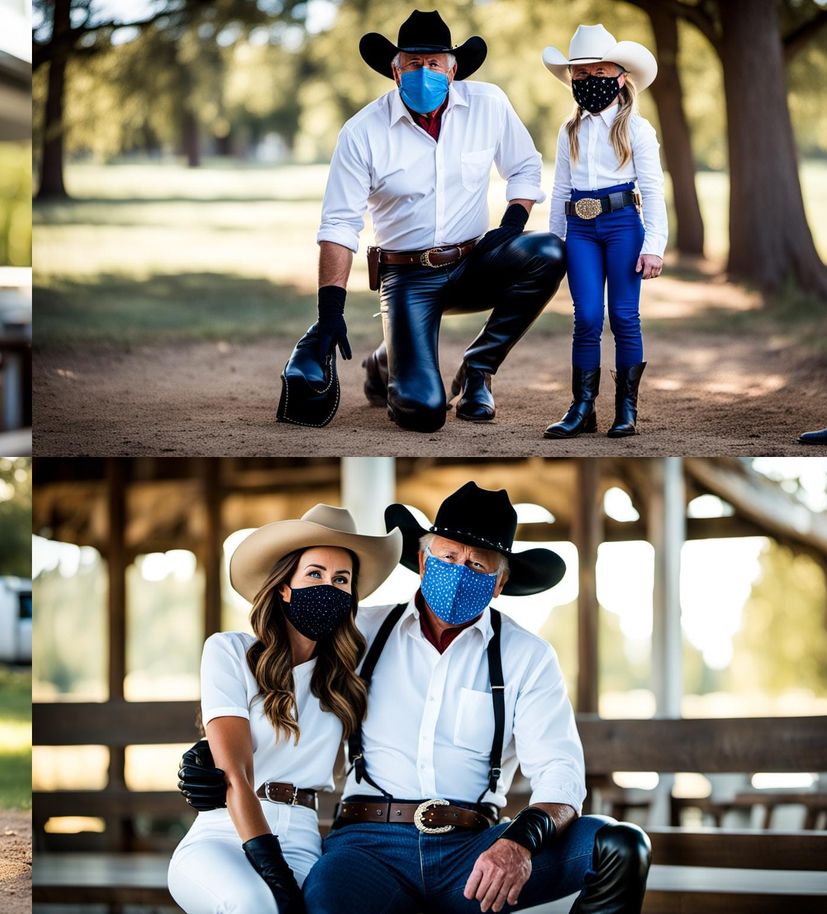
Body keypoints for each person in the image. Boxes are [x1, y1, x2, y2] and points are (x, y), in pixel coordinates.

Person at [180, 483, 652, 914]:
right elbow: (281, 678)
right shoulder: (357, 633)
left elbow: (561, 773)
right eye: (447, 558)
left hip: (476, 850)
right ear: (424, 562)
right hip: (367, 848)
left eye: (476, 566)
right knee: (325, 904)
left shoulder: (527, 655)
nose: (458, 573)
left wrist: (520, 844)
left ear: (499, 582)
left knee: (620, 847)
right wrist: (205, 757)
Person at [280, 11, 566, 432]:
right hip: (407, 277)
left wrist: (510, 225)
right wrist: (330, 312)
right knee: (424, 413)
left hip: (474, 262)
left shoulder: (489, 104)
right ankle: (384, 361)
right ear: (395, 71)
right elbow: (340, 225)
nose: (424, 71)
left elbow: (524, 167)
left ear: (453, 69)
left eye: (434, 62)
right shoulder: (361, 132)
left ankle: (478, 369)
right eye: (413, 63)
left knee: (549, 252)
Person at [168, 506, 402, 914]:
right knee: (255, 905)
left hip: (303, 839)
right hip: (225, 834)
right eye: (315, 574)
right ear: (284, 587)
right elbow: (237, 777)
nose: (328, 586)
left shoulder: (346, 675)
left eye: (341, 579)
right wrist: (276, 877)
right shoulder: (229, 652)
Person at [543, 26, 665, 440]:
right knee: (587, 317)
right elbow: (560, 188)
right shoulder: (569, 130)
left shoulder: (637, 130)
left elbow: (652, 190)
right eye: (581, 75)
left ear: (620, 77)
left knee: (625, 317)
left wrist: (655, 246)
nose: (589, 81)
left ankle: (626, 410)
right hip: (579, 228)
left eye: (599, 73)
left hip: (622, 226)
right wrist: (554, 243)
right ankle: (582, 408)